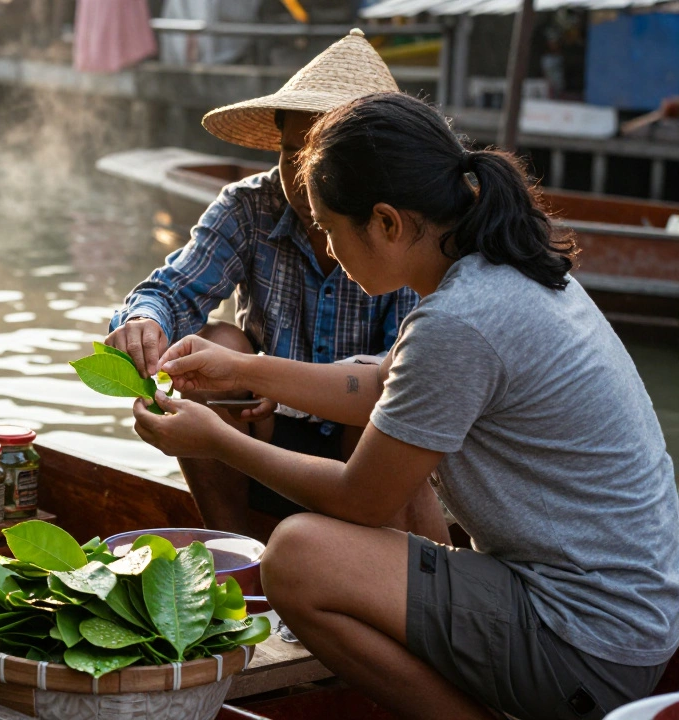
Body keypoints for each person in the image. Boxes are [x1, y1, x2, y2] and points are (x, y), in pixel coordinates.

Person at [134, 92, 679, 719]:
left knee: (297, 557)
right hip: (620, 626)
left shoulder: (461, 320)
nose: (330, 250)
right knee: (367, 479)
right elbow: (374, 387)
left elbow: (362, 499)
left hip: (583, 645)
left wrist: (217, 440)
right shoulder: (498, 270)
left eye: (333, 229)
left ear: (388, 223)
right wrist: (240, 367)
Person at [105, 30, 435, 542]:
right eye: (289, 155)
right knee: (216, 343)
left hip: (365, 437)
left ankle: (359, 558)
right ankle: (236, 557)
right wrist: (143, 322)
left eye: (321, 162)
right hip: (261, 417)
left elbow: (399, 377)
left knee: (385, 396)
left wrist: (275, 383)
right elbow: (175, 290)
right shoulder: (249, 206)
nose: (303, 183)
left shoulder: (405, 231)